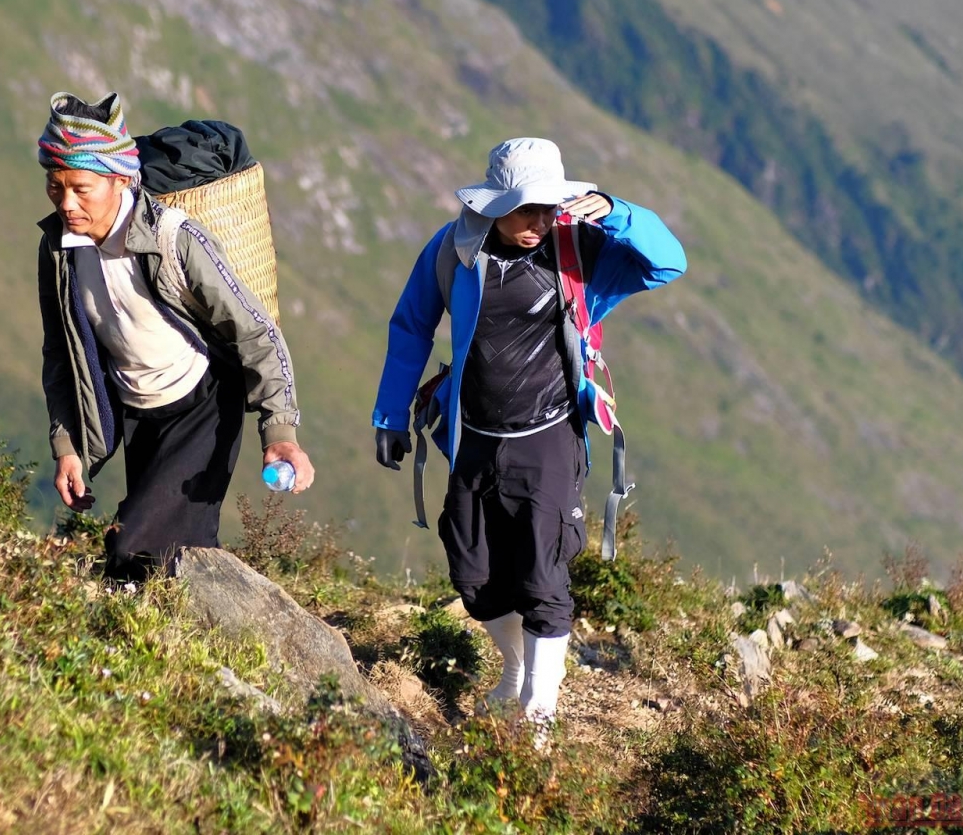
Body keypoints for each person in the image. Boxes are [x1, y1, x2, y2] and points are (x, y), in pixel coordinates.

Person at [370, 137, 685, 735]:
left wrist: (616, 212)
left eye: (549, 207)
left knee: (544, 577)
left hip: (548, 435)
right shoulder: (453, 250)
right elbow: (411, 326)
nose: (540, 222)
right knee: (473, 572)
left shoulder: (580, 250)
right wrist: (389, 417)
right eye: (526, 210)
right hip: (473, 436)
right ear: (493, 205)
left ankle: (538, 715)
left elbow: (668, 262)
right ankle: (514, 671)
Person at [35, 90, 315, 580]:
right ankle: (209, 644)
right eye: (56, 187)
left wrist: (280, 432)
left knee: (134, 552)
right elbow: (62, 353)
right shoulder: (58, 250)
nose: (67, 202)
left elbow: (255, 332)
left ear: (120, 180)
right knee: (171, 554)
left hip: (203, 405)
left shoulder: (174, 239)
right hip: (137, 411)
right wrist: (69, 448)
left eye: (82, 188)